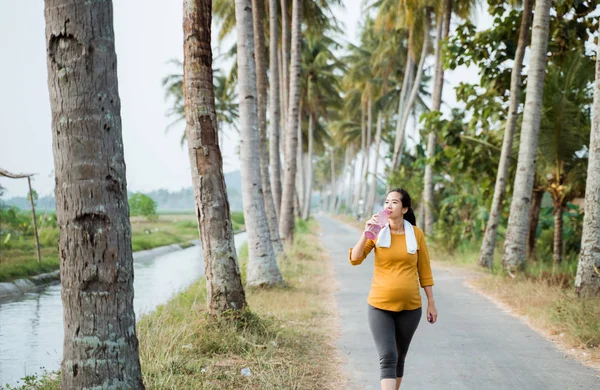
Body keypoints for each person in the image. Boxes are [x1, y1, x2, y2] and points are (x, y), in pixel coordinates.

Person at [349, 188, 437, 390]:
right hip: (380, 306)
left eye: (394, 202)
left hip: (411, 308)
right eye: (387, 202)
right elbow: (355, 259)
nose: (388, 205)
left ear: (405, 208)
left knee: (399, 357)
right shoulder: (377, 232)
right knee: (388, 356)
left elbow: (424, 270)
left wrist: (431, 303)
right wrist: (366, 232)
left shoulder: (416, 234)